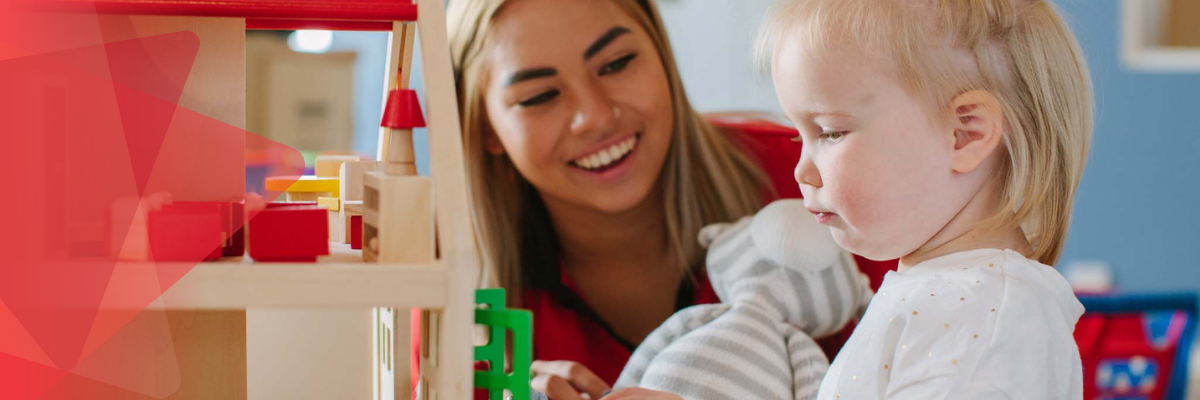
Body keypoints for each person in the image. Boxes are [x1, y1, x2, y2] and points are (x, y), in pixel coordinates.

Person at [444, 0, 888, 398]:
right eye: (540, 96)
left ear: (662, 54)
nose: (595, 117)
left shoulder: (816, 173)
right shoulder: (441, 297)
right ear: (485, 127)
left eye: (616, 64)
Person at [758, 0, 1093, 398]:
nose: (801, 172)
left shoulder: (979, 318)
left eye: (830, 133)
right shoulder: (947, 298)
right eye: (800, 135)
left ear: (965, 134)